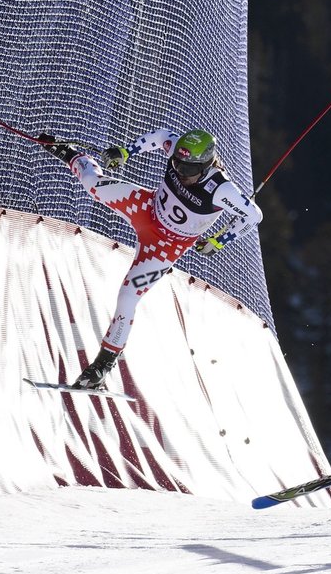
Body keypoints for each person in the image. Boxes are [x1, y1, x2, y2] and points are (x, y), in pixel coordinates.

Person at [37, 128, 263, 389]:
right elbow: (160, 137)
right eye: (177, 164)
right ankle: (68, 153)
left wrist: (218, 241)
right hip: (146, 208)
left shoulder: (222, 189)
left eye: (189, 170)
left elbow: (253, 215)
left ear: (206, 164)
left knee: (128, 295)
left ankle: (103, 364)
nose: (180, 172)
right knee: (94, 185)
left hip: (166, 245)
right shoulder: (179, 150)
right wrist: (125, 152)